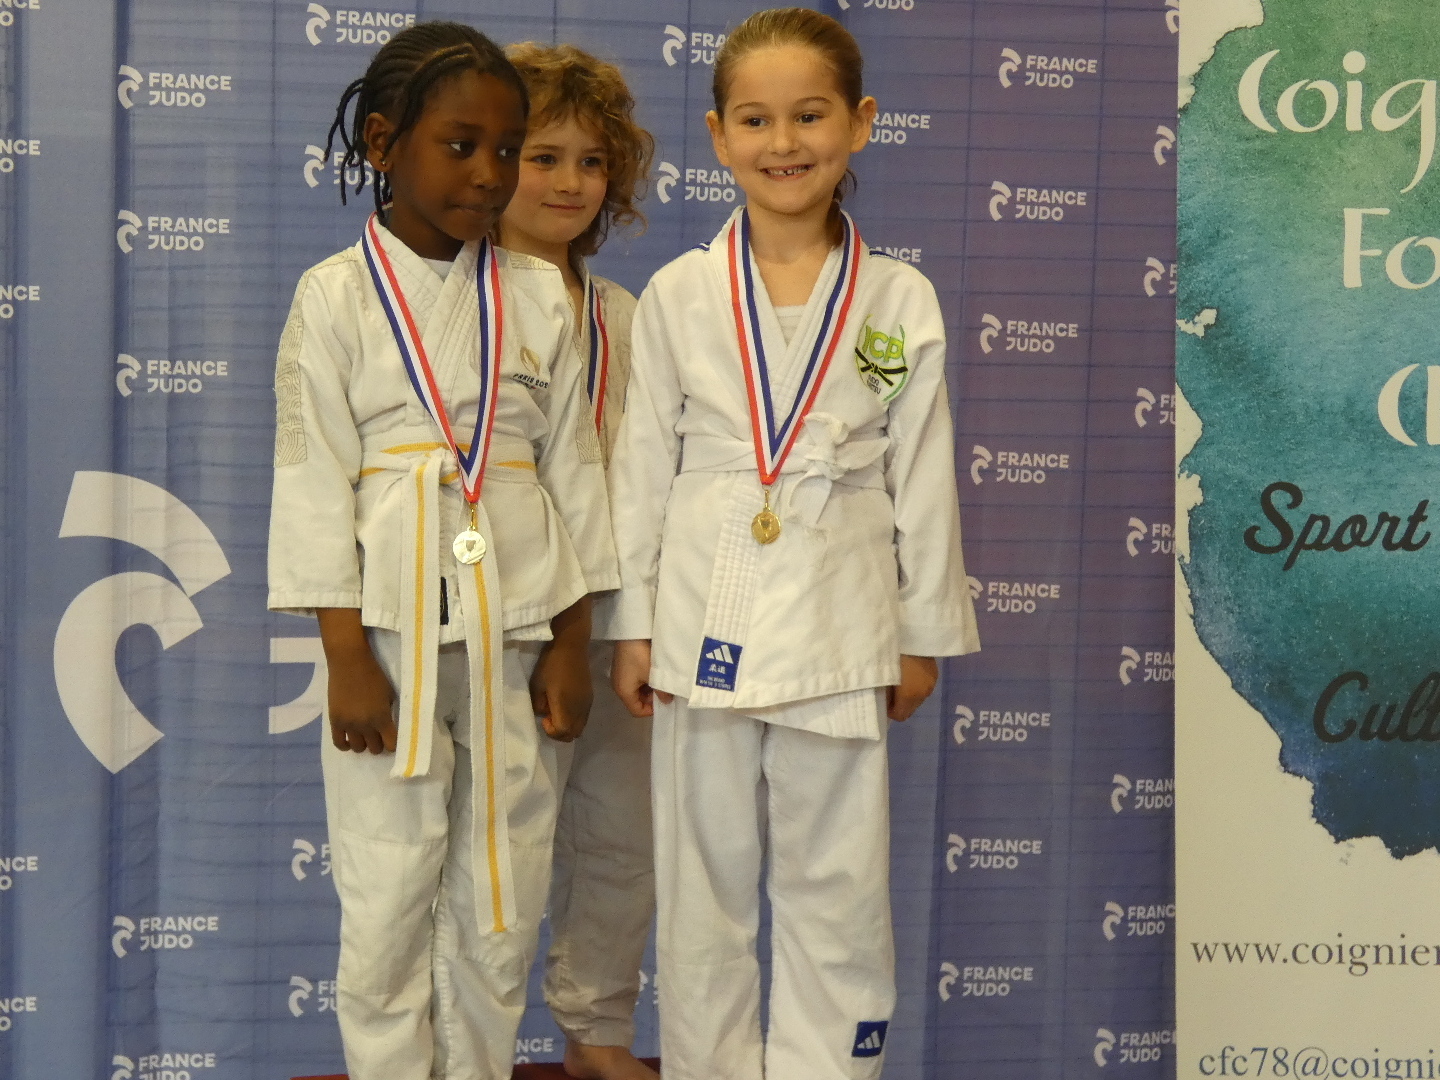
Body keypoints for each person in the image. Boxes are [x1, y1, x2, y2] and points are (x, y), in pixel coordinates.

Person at [604, 9, 980, 1079]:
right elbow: (641, 469)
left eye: (810, 116)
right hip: (704, 615)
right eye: (756, 119)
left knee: (838, 884)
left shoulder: (899, 296)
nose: (784, 143)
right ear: (718, 136)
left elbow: (923, 474)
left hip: (841, 614)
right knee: (704, 887)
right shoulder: (680, 293)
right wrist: (633, 623)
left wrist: (922, 632)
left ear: (860, 122)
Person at [266, 21, 616, 1080]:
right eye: (460, 146)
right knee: (385, 888)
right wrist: (344, 656)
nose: (490, 174)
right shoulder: (333, 295)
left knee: (502, 886)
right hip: (390, 634)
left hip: (522, 624)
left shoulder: (535, 296)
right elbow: (312, 482)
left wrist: (572, 641)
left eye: (506, 149)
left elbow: (575, 474)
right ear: (383, 143)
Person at [495, 41, 658, 1080]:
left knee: (622, 839)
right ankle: (460, 1041)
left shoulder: (627, 317)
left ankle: (597, 1033)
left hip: (617, 618)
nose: (570, 182)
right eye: (543, 157)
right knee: (494, 853)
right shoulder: (455, 307)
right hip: (506, 618)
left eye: (592, 162)